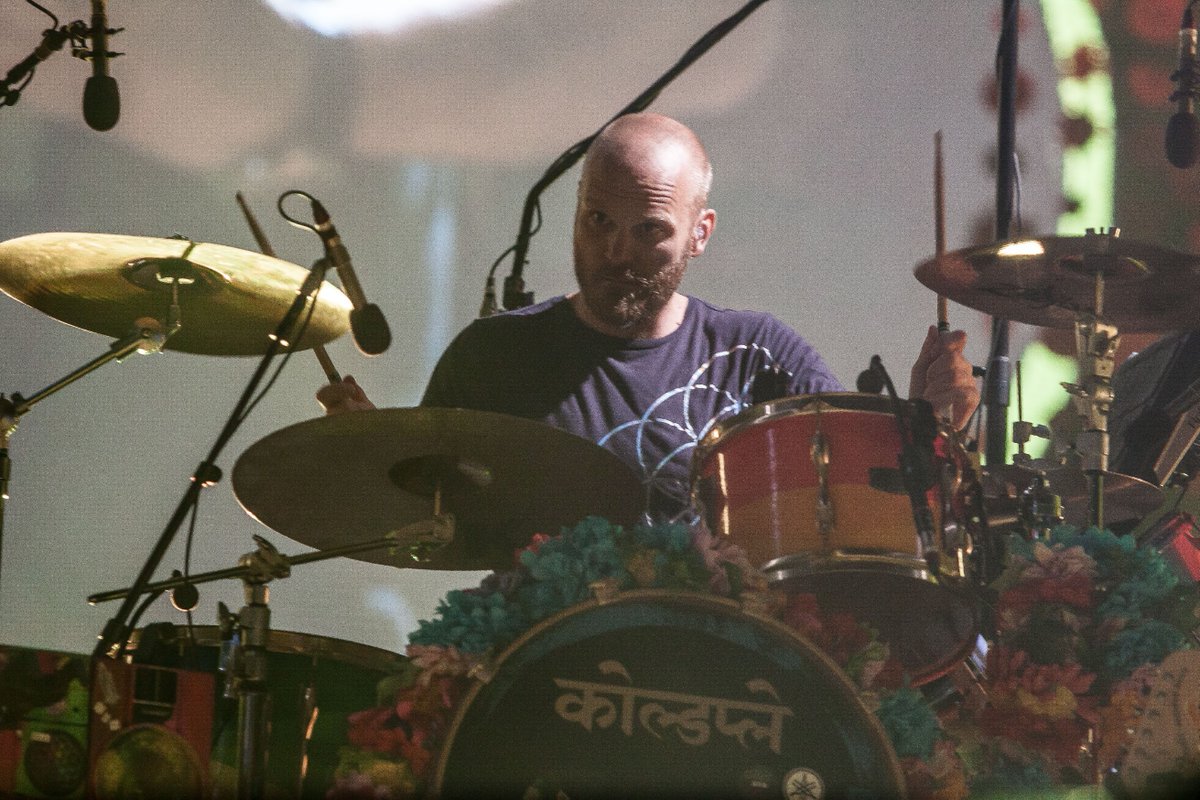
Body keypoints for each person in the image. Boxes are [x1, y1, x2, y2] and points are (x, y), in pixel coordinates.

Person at [318, 112, 979, 519]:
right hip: (541, 673)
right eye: (598, 220)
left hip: (716, 677)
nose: (616, 251)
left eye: (648, 231)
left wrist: (932, 424)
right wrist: (377, 458)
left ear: (701, 232)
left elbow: (859, 501)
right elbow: (429, 522)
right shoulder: (493, 355)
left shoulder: (758, 355)